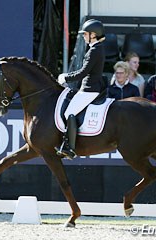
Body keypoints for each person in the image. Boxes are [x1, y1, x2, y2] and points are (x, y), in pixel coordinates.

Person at [55, 19, 106, 159]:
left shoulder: (94, 51)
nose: (84, 36)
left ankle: (69, 148)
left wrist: (66, 77)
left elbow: (83, 72)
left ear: (93, 35)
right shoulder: (96, 49)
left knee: (68, 112)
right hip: (89, 87)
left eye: (86, 34)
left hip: (89, 89)